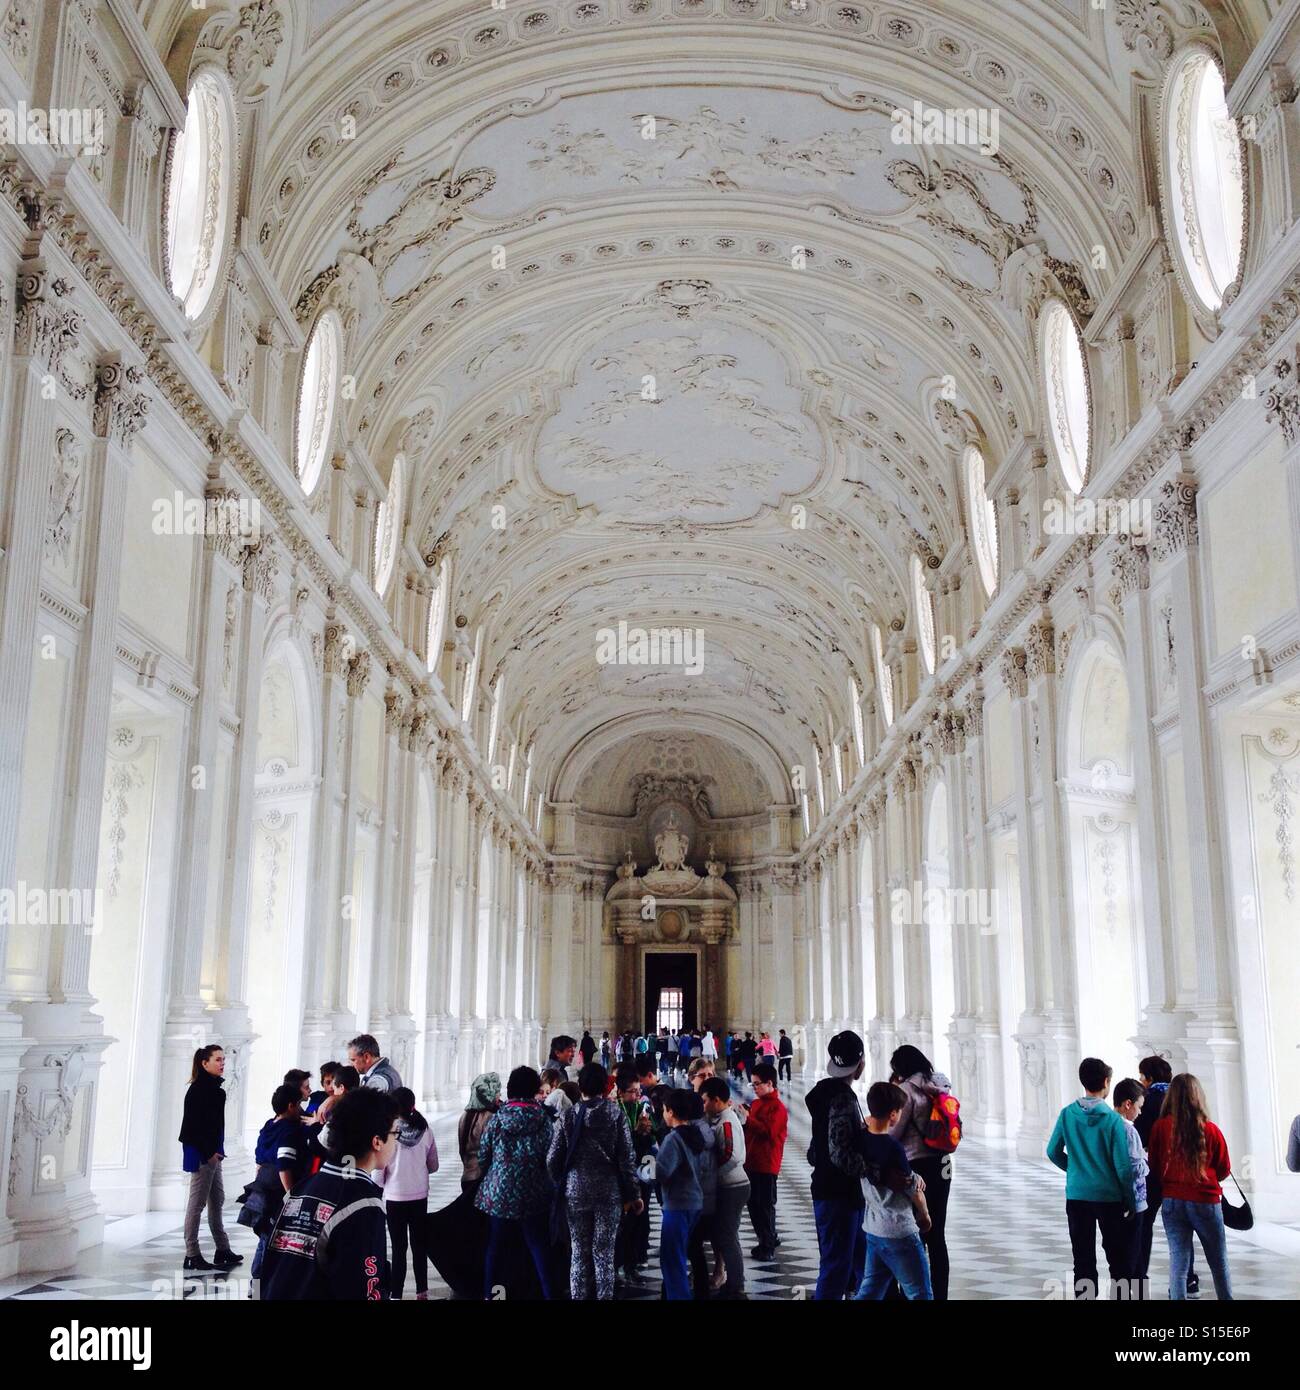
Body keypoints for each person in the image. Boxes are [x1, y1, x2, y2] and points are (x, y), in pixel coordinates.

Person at [260, 1087, 399, 1300]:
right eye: (394, 1133)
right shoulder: (364, 1204)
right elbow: (362, 1288)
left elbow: (271, 1266)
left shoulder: (300, 1190)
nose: (396, 1142)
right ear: (377, 1141)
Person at [548, 1062, 642, 1300]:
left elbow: (552, 1159)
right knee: (604, 1254)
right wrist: (634, 1195)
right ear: (605, 1086)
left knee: (579, 1252)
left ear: (580, 1087)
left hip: (575, 1191)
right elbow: (627, 1160)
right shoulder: (616, 1115)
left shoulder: (568, 1116)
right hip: (608, 1193)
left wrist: (564, 1180)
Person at [1046, 1056, 1136, 1300]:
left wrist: (1075, 1170)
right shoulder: (1113, 1121)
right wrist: (1129, 1198)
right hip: (1109, 1197)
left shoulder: (1067, 1114)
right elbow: (1123, 1168)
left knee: (1083, 1258)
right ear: (1106, 1082)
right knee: (1118, 1258)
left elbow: (1052, 1151)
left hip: (1077, 1195)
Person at [1147, 1073, 1234, 1302]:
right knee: (1218, 1260)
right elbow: (1224, 1168)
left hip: (1172, 1200)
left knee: (1178, 1260)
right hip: (1205, 1200)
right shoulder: (1210, 1129)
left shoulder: (1160, 1127)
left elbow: (1154, 1166)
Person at [476, 1065, 555, 1299]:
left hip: (499, 1192)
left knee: (495, 1249)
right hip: (534, 1191)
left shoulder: (498, 1118)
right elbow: (550, 1157)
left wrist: (498, 1171)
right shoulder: (543, 1118)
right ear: (534, 1089)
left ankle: (492, 1296)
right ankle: (548, 1294)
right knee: (539, 1247)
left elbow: (483, 1155)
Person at [852, 1082, 933, 1300]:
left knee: (870, 1292)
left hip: (873, 1229)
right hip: (900, 1231)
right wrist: (924, 1215)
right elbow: (912, 1189)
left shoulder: (860, 1140)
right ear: (894, 1114)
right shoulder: (893, 1147)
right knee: (920, 1293)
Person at [806, 1030, 871, 1300]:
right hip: (838, 1193)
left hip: (831, 1189)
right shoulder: (842, 1098)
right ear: (861, 1063)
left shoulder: (822, 1094)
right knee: (836, 1268)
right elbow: (839, 1152)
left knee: (857, 1262)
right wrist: (874, 1168)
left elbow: (815, 1152)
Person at [888, 1044, 955, 1300]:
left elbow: (895, 1134)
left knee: (915, 1233)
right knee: (938, 1234)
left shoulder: (906, 1091)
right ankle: (940, 1294)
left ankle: (914, 1294)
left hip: (918, 1167)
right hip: (943, 1165)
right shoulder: (939, 1085)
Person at [1133, 1054, 1196, 1298]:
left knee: (1144, 1221)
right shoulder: (1185, 1101)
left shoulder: (1148, 1101)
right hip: (1182, 1173)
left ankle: (1140, 1274)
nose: (1141, 1080)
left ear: (1148, 1078)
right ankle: (1189, 1279)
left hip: (1155, 1171)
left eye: (1142, 1076)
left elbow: (1139, 1137)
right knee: (1182, 1228)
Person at [178, 1044, 242, 1271]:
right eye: (217, 1060)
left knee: (218, 1200)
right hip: (202, 1154)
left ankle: (222, 1249)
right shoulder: (198, 1090)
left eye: (223, 1059)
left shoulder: (216, 1090)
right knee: (196, 1204)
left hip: (214, 1153)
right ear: (204, 1063)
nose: (222, 1063)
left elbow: (215, 1126)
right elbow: (192, 1128)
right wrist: (209, 1153)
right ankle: (191, 1254)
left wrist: (218, 1151)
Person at [247, 1083, 312, 1282]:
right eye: (299, 1104)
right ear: (291, 1106)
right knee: (272, 1237)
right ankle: (259, 1283)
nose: (302, 1109)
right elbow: (284, 1166)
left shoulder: (269, 1125)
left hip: (261, 1186)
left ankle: (259, 1282)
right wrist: (291, 1195)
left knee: (266, 1235)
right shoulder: (288, 1131)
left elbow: (259, 1161)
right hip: (277, 1192)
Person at [381, 1087, 439, 1300]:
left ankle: (396, 1294)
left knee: (398, 1248)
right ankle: (421, 1292)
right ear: (412, 1105)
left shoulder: (389, 1134)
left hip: (395, 1197)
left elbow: (379, 1170)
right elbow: (434, 1165)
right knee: (419, 1246)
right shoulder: (425, 1130)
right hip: (419, 1196)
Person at [654, 1088, 712, 1300]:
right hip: (694, 1202)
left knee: (672, 1260)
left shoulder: (674, 1139)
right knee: (679, 1255)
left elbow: (661, 1172)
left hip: (677, 1203)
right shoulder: (695, 1135)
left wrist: (646, 1163)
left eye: (663, 1110)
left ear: (670, 1111)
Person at [701, 1076, 749, 1299]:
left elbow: (731, 1155)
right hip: (729, 1184)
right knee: (725, 1234)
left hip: (733, 1185)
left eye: (705, 1101)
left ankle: (736, 1284)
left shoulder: (727, 1121)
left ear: (717, 1100)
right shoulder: (720, 1118)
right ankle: (735, 1280)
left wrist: (710, 1174)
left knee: (727, 1236)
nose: (703, 1105)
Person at [741, 1061, 788, 1259]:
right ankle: (767, 1237)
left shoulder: (778, 1108)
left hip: (767, 1164)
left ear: (770, 1083)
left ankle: (768, 1245)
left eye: (757, 1084)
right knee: (753, 1204)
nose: (755, 1088)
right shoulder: (757, 1103)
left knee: (765, 1205)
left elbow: (769, 1132)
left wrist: (748, 1118)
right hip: (751, 1160)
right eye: (753, 1084)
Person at [1112, 1078, 1149, 1297]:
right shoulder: (1129, 1131)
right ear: (1128, 1104)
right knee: (1135, 1256)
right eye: (1139, 1106)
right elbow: (1135, 1168)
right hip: (1134, 1200)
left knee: (1119, 1255)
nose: (1140, 1112)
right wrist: (1147, 1164)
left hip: (1114, 1199)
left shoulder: (1109, 1125)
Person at [459, 1072, 501, 1196]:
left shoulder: (465, 1116)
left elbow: (462, 1150)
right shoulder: (491, 1117)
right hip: (482, 1178)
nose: (500, 1095)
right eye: (497, 1091)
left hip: (467, 1176)